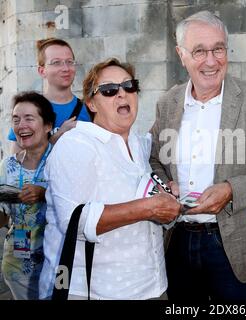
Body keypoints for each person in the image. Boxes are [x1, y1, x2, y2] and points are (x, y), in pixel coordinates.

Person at [150, 11, 246, 300]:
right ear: (181, 55)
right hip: (176, 237)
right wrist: (166, 185)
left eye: (218, 48)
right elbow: (153, 161)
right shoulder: (168, 103)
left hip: (231, 240)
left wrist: (231, 190)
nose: (212, 60)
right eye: (199, 51)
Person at [38, 58, 181, 300]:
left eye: (129, 86)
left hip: (152, 285)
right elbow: (74, 220)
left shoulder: (139, 144)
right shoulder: (76, 145)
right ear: (92, 103)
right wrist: (147, 208)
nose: (121, 94)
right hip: (98, 291)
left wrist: (166, 194)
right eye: (109, 90)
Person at [0, 91, 55, 299]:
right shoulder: (8, 165)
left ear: (48, 125)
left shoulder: (62, 159)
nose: (21, 125)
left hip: (57, 262)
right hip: (17, 265)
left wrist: (44, 194)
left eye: (29, 118)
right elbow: (3, 216)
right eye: (16, 119)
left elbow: (82, 202)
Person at [7, 38, 91, 154]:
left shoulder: (89, 109)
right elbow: (16, 164)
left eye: (70, 62)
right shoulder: (27, 109)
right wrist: (57, 137)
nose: (66, 69)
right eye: (56, 62)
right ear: (42, 71)